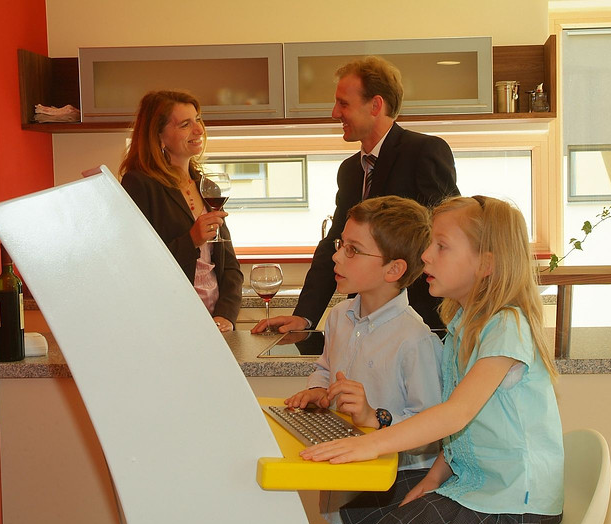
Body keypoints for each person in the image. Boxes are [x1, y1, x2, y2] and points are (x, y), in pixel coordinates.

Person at [301, 196, 564, 524]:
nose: (425, 255)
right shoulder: (461, 329)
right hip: (471, 489)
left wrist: (368, 443)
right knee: (357, 516)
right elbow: (461, 434)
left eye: (441, 246)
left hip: (513, 503)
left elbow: (456, 414)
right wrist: (434, 479)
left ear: (486, 264)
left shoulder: (506, 325)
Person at [252, 56, 458, 335]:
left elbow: (448, 235)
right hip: (363, 322)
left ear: (375, 105)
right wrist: (304, 316)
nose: (334, 112)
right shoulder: (350, 170)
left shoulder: (423, 151)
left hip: (419, 322)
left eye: (343, 103)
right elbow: (334, 243)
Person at [285, 195, 443, 524]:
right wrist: (318, 390)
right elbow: (325, 368)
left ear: (393, 269)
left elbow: (431, 431)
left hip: (391, 489)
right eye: (341, 244)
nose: (336, 255)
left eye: (353, 250)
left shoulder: (415, 339)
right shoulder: (339, 316)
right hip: (343, 477)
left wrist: (375, 416)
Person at [120, 90, 242, 332]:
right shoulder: (138, 185)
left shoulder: (208, 187)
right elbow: (139, 266)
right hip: (169, 322)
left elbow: (229, 265)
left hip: (214, 323)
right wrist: (192, 240)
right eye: (185, 124)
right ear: (159, 136)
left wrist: (225, 316)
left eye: (198, 120)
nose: (199, 130)